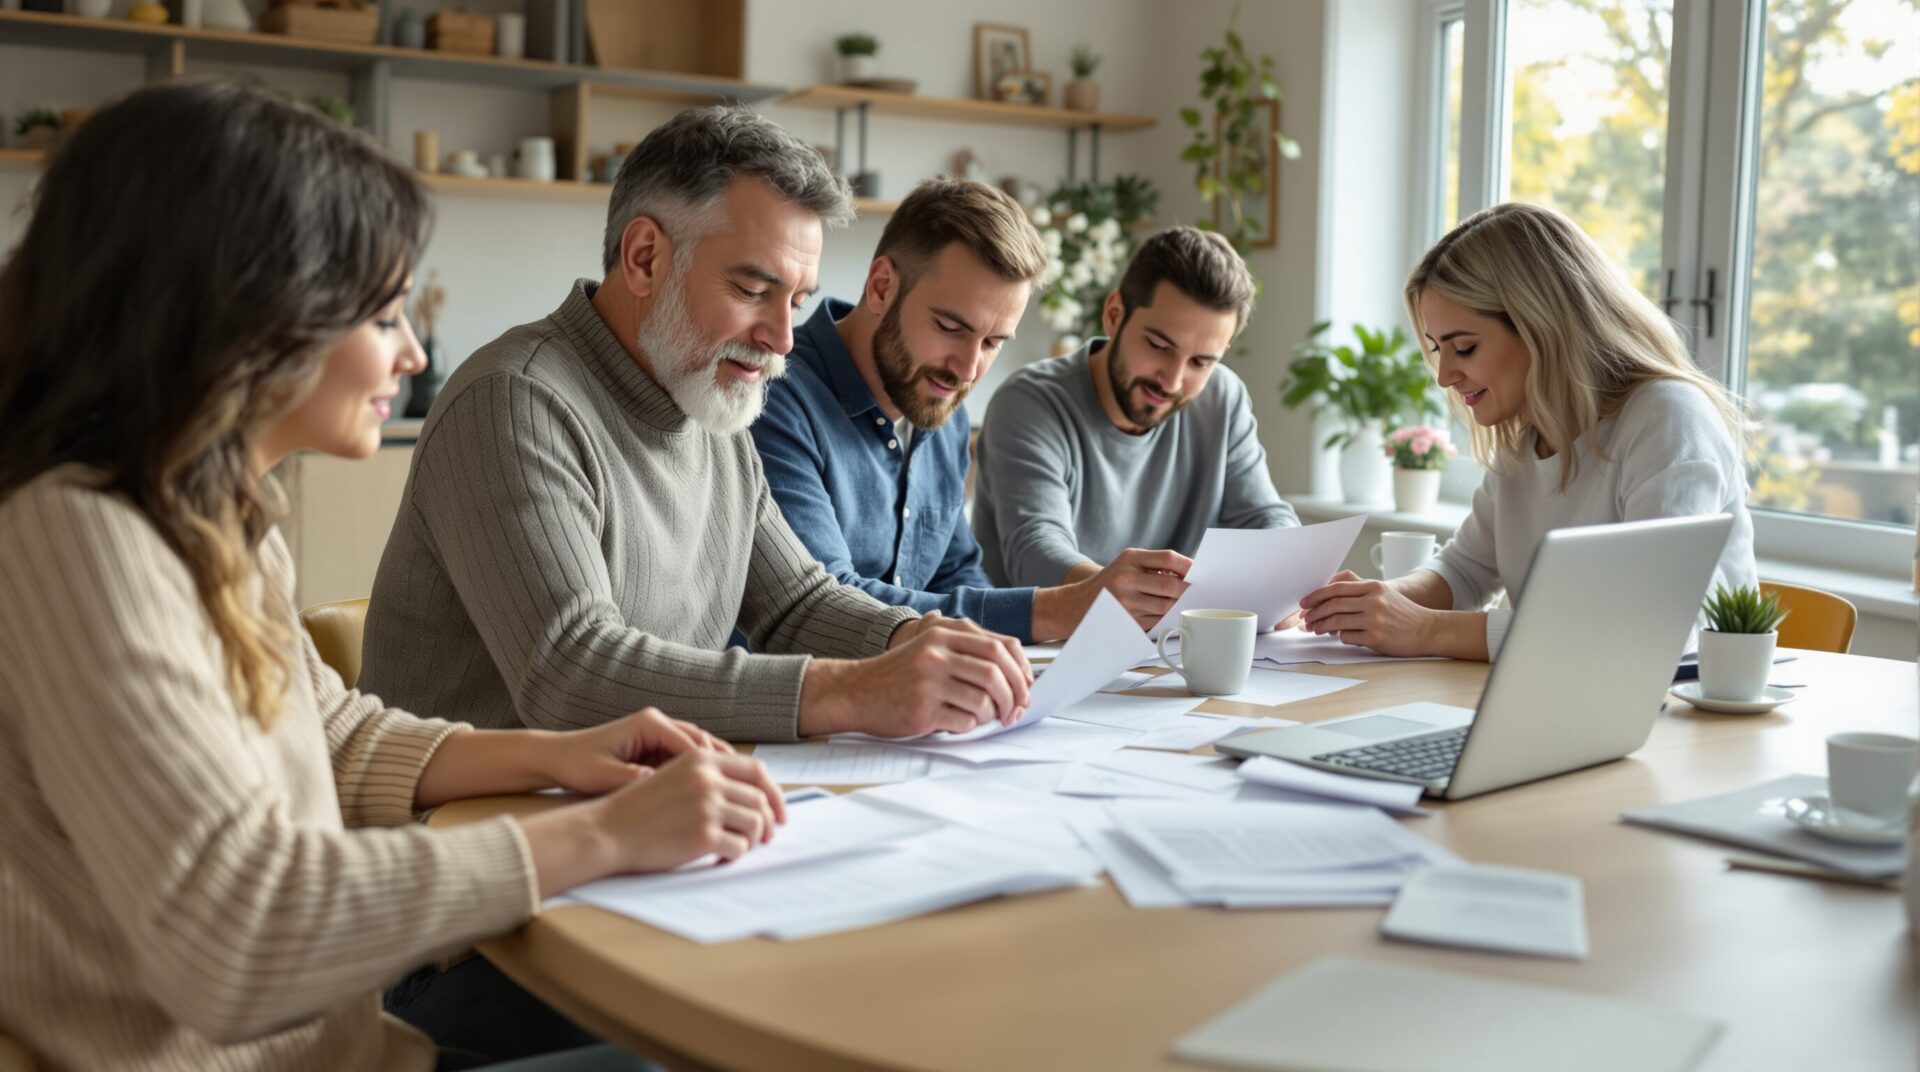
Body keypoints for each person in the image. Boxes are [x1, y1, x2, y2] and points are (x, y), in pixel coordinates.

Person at [0, 80, 787, 1072]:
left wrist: (568, 756)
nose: (413, 353)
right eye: (382, 316)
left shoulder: (212, 512)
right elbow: (236, 938)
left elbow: (325, 733)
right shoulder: (77, 538)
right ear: (241, 317)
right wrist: (605, 836)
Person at [359, 106, 1031, 743]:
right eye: (753, 290)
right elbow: (572, 671)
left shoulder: (710, 403)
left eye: (797, 302)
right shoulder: (515, 400)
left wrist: (914, 639)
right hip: (480, 811)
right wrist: (853, 689)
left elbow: (796, 603)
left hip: (639, 795)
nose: (782, 339)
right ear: (645, 257)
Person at [1298, 201, 1757, 659]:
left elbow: (1650, 625)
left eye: (1465, 348)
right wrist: (1378, 604)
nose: (1445, 377)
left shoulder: (1667, 418)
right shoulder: (1525, 439)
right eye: (1438, 349)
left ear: (1543, 327)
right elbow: (1464, 571)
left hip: (1684, 698)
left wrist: (1425, 629)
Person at [750, 178, 1192, 642]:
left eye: (993, 342)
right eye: (950, 327)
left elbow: (955, 572)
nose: (967, 369)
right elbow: (828, 605)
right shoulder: (773, 398)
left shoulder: (940, 404)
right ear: (881, 288)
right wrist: (1062, 608)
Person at [971, 226, 1301, 629]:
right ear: (1114, 315)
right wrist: (1123, 598)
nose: (1173, 381)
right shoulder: (1029, 402)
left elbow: (1264, 516)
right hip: (1038, 651)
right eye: (1159, 346)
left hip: (1170, 650)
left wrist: (1287, 574)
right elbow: (1035, 551)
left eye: (1201, 362)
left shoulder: (1223, 397)